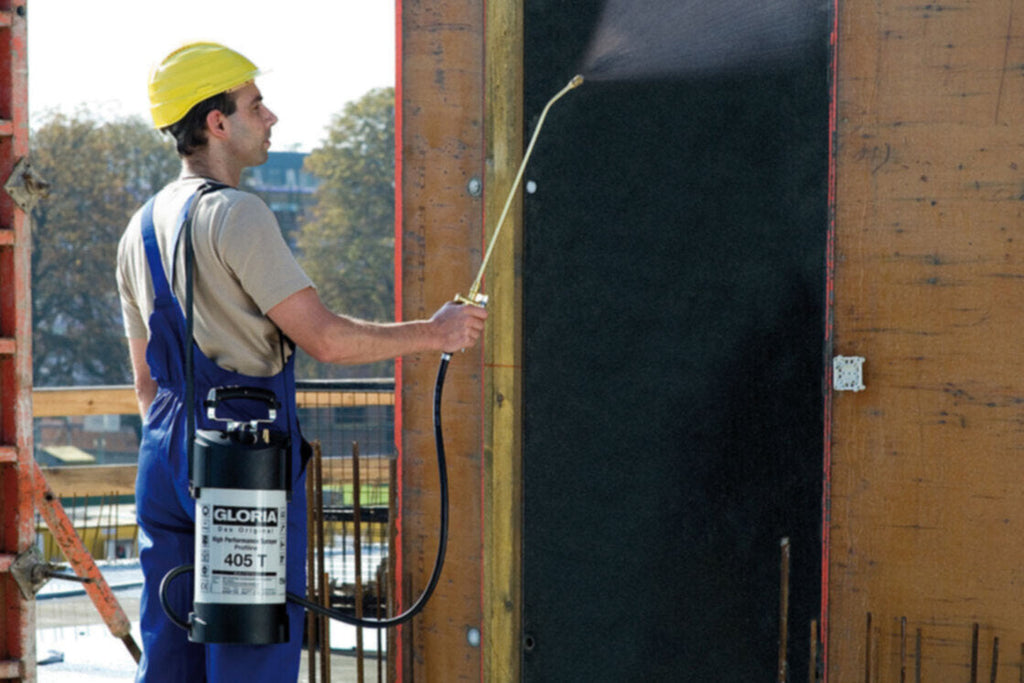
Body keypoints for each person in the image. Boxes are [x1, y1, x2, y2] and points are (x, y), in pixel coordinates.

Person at [116, 42, 487, 682]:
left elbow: (146, 384)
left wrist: (178, 451)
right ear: (217, 122)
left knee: (170, 656)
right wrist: (436, 332)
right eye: (255, 104)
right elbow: (328, 340)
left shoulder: (139, 228)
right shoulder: (237, 214)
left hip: (164, 452)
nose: (272, 117)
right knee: (250, 657)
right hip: (241, 458)